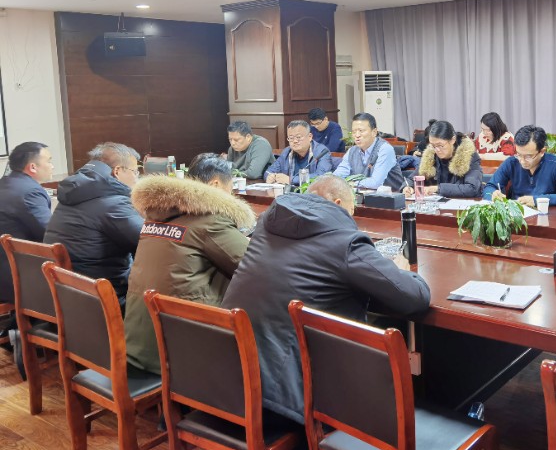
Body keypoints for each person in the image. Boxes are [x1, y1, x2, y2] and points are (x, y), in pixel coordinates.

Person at [222, 174, 430, 424]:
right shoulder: (344, 241)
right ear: (339, 204)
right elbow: (414, 297)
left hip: (226, 381)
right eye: (351, 212)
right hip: (284, 401)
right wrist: (401, 269)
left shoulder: (268, 222)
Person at [124, 153, 255, 374]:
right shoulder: (209, 220)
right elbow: (252, 266)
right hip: (179, 354)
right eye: (231, 188)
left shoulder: (155, 215)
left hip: (140, 343)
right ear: (215, 185)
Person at [44, 142, 143, 304]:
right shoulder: (113, 202)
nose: (136, 178)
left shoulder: (74, 193)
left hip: (68, 294)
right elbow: (147, 242)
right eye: (135, 171)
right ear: (118, 171)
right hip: (104, 297)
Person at [0, 142, 54, 304]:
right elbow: (49, 234)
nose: (52, 166)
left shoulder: (5, 183)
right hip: (16, 278)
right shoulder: (30, 192)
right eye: (49, 161)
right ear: (33, 167)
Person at [483, 125, 556, 207]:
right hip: (518, 216)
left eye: (528, 156)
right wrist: (492, 194)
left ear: (542, 151)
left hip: (547, 217)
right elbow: (489, 187)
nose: (522, 161)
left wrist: (537, 200)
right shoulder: (511, 162)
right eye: (518, 154)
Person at [404, 120, 482, 198]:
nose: (437, 150)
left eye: (440, 145)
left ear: (452, 140)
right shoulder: (431, 156)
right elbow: (412, 179)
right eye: (433, 145)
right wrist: (408, 187)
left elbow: (472, 188)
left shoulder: (469, 156)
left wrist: (437, 188)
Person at [333, 113, 404, 190]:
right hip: (361, 195)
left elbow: (376, 183)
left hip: (391, 195)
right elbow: (337, 176)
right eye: (354, 131)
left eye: (361, 131)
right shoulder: (352, 151)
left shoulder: (385, 149)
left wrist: (351, 183)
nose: (357, 135)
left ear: (374, 132)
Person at [264, 120, 333, 186]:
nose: (295, 141)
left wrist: (291, 180)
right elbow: (269, 171)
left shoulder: (322, 152)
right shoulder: (287, 152)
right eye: (291, 138)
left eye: (298, 137)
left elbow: (322, 177)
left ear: (310, 137)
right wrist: (269, 177)